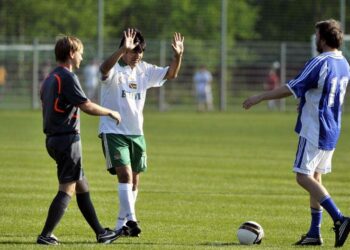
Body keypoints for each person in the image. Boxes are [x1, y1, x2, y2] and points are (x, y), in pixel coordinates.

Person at [242, 19, 350, 247]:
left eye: (317, 35)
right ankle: (314, 233)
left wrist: (259, 97)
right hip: (332, 128)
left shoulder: (320, 62)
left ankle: (340, 219)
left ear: (323, 38)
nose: (316, 40)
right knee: (315, 178)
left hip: (315, 128)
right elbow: (320, 90)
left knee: (302, 176)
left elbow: (291, 87)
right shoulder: (344, 63)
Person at [98, 28, 184, 237]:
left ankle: (121, 225)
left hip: (137, 133)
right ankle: (132, 219)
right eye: (133, 51)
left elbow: (171, 74)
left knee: (135, 180)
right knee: (125, 175)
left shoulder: (144, 69)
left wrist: (178, 56)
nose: (137, 55)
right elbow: (103, 69)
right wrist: (121, 50)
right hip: (113, 131)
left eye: (140, 51)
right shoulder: (115, 69)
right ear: (124, 50)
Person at [38, 35, 122, 245]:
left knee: (81, 184)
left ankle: (101, 233)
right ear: (71, 53)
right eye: (81, 53)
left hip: (53, 139)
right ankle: (45, 235)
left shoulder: (50, 78)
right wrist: (110, 112)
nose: (82, 57)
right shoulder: (67, 77)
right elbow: (86, 105)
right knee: (67, 188)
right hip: (67, 140)